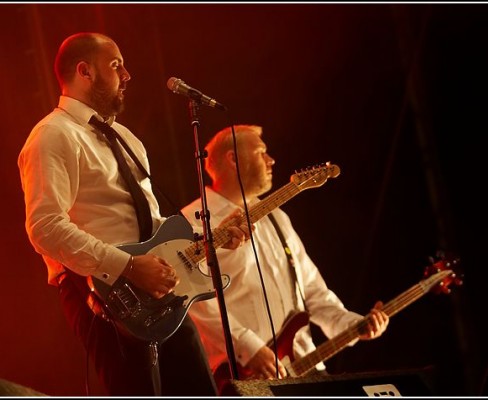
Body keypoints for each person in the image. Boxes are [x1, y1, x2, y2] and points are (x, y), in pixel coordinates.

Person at [17, 32, 251, 396]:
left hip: (157, 289)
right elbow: (44, 227)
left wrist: (212, 240)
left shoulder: (126, 137)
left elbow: (153, 226)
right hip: (102, 292)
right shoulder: (52, 134)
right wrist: (127, 264)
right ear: (85, 71)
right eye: (115, 65)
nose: (127, 75)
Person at [181, 124, 390, 393]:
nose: (272, 160)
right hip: (246, 375)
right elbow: (192, 299)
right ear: (233, 159)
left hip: (307, 367)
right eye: (261, 152)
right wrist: (249, 347)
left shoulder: (277, 217)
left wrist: (353, 324)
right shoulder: (192, 222)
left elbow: (312, 290)